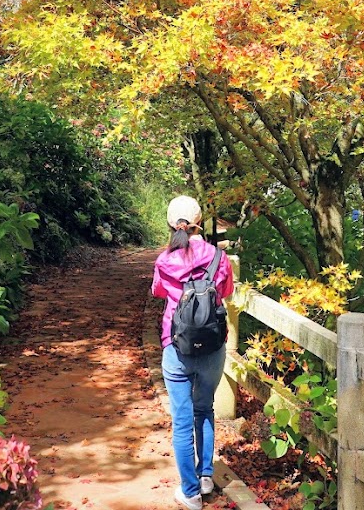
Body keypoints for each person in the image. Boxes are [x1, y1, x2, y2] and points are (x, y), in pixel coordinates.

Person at [152, 194, 234, 510]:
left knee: (182, 419)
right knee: (205, 408)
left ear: (172, 224)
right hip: (213, 346)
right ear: (200, 220)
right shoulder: (217, 256)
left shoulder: (165, 260)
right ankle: (206, 477)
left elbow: (158, 291)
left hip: (177, 347)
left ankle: (189, 492)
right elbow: (226, 292)